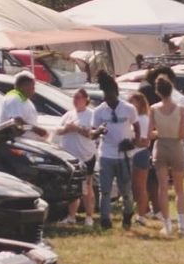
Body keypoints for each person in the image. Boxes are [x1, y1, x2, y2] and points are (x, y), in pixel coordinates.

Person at [92, 72, 139, 230]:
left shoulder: (128, 108)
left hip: (124, 155)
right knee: (104, 189)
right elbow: (92, 134)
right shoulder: (99, 111)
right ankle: (105, 219)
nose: (108, 98)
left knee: (125, 189)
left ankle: (128, 213)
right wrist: (98, 131)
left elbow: (138, 127)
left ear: (116, 93)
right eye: (105, 94)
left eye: (110, 95)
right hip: (106, 154)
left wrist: (133, 142)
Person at [150, 74, 184, 236]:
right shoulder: (181, 109)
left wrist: (160, 132)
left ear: (158, 92)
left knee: (163, 187)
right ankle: (182, 224)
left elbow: (150, 133)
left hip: (161, 147)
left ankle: (167, 225)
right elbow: (181, 134)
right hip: (176, 146)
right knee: (179, 188)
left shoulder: (153, 109)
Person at [55, 85, 97, 227]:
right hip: (70, 157)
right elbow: (58, 130)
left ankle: (89, 216)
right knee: (73, 188)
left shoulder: (91, 115)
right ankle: (71, 216)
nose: (75, 100)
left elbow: (92, 134)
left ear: (86, 99)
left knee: (87, 187)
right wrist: (66, 128)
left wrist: (77, 129)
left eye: (78, 97)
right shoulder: (68, 114)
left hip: (85, 156)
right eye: (74, 97)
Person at [127, 90, 152, 225]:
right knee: (133, 187)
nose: (130, 104)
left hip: (139, 153)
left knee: (140, 186)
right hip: (133, 153)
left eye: (132, 102)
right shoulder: (134, 118)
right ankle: (139, 212)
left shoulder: (143, 119)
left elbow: (144, 140)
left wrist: (130, 141)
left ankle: (142, 215)